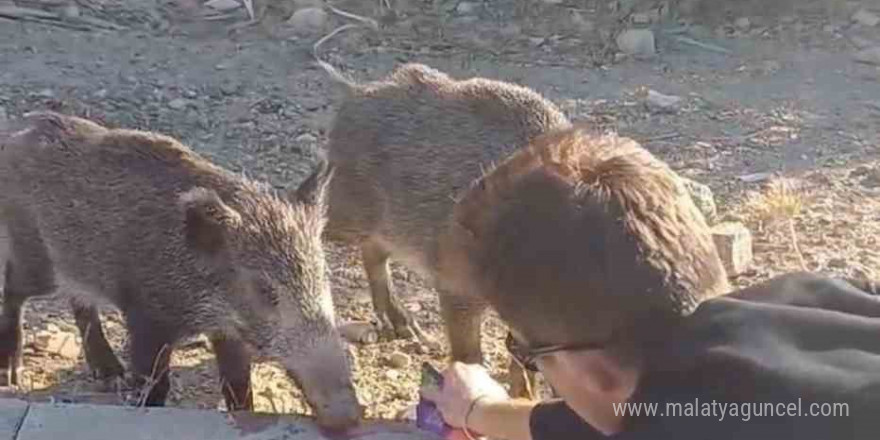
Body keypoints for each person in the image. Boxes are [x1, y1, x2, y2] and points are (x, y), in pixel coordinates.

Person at [424, 125, 880, 440]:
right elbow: (663, 411)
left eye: (526, 352)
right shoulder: (822, 299)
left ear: (596, 374)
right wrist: (479, 411)